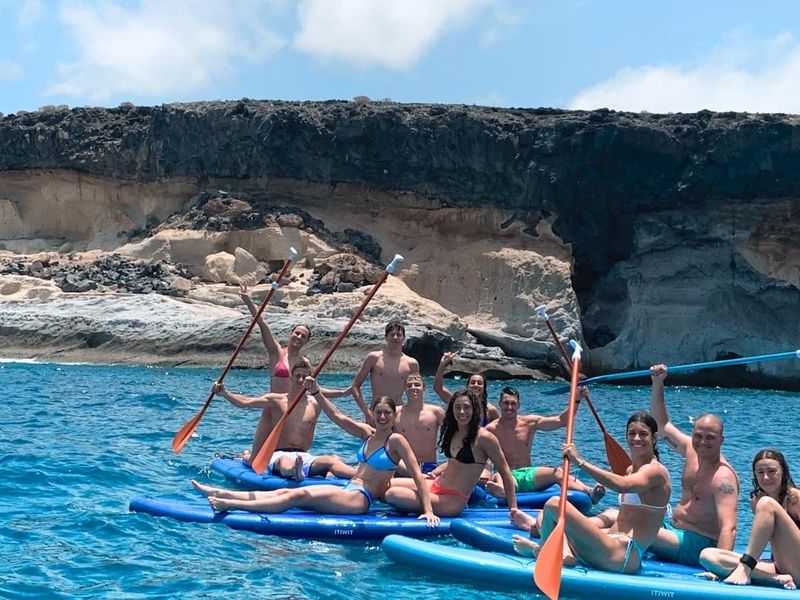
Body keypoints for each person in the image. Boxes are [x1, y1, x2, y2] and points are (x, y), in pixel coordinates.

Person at [192, 389, 439, 525]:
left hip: (361, 499)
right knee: (282, 493)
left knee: (297, 495)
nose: (383, 417)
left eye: (387, 413)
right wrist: (317, 392)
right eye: (379, 413)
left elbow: (416, 476)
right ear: (372, 414)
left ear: (392, 416)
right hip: (348, 488)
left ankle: (230, 504)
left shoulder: (395, 441)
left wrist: (428, 511)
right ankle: (221, 493)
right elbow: (338, 417)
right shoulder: (369, 434)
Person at [512, 412, 672, 574]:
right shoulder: (630, 470)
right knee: (549, 518)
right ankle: (562, 554)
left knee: (555, 504)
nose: (636, 438)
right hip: (610, 544)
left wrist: (580, 461)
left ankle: (544, 551)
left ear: (654, 438)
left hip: (623, 555)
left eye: (643, 434)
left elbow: (622, 486)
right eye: (632, 433)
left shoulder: (655, 471)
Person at [647, 363, 739, 566]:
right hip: (672, 530)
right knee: (615, 515)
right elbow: (661, 427)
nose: (703, 442)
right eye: (698, 435)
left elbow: (729, 527)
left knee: (637, 526)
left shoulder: (723, 478)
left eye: (710, 437)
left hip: (698, 544)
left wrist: (719, 567)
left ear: (721, 440)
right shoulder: (691, 449)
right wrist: (658, 383)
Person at [212, 357, 354, 479]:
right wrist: (225, 393)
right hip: (278, 454)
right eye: (297, 376)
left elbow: (336, 414)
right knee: (284, 461)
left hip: (304, 456)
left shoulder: (316, 404)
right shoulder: (276, 400)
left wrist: (344, 392)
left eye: (304, 377)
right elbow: (245, 402)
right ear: (291, 377)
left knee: (332, 460)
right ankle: (293, 471)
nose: (300, 380)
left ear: (310, 380)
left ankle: (359, 474)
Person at [385, 390, 518, 517]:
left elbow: (505, 473)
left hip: (451, 500)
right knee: (386, 484)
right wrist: (436, 472)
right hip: (436, 484)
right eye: (457, 407)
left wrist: (513, 509)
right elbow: (454, 462)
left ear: (474, 410)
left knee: (392, 494)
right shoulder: (453, 432)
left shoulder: (484, 438)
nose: (462, 412)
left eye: (466, 407)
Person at [699, 449, 800, 590]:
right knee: (708, 555)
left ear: (783, 472)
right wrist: (722, 569)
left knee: (766, 503)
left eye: (771, 471)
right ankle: (777, 580)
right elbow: (764, 540)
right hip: (781, 567)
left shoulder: (795, 499)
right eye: (760, 472)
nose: (765, 477)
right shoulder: (756, 500)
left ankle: (745, 568)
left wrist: (746, 563)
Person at [484, 387, 605, 504]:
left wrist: (576, 400)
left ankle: (589, 492)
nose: (509, 407)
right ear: (499, 404)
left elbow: (561, 421)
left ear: (518, 405)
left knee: (557, 472)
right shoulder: (491, 430)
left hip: (529, 474)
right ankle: (504, 491)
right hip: (506, 474)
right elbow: (483, 457)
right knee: (499, 475)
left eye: (513, 403)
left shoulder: (529, 422)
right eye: (506, 403)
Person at [237, 283, 313, 460]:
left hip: (292, 412)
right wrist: (248, 300)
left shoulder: (305, 363)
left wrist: (340, 393)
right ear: (291, 333)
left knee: (285, 456)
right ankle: (248, 457)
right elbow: (262, 325)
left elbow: (311, 389)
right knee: (255, 460)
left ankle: (294, 469)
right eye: (297, 333)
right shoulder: (277, 352)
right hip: (272, 408)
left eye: (303, 336)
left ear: (306, 342)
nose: (299, 337)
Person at [346, 321, 420, 423]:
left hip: (398, 414)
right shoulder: (374, 358)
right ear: (386, 337)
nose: (395, 337)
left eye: (398, 335)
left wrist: (415, 415)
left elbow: (417, 391)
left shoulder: (412, 363)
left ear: (403, 338)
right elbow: (355, 387)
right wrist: (366, 412)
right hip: (375, 413)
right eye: (392, 334)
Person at [394, 374, 445, 475]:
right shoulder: (395, 413)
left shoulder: (436, 412)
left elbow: (454, 435)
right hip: (403, 465)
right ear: (404, 389)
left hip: (429, 466)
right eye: (409, 385)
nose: (413, 388)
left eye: (417, 385)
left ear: (424, 388)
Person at [434, 352, 499, 425]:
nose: (476, 385)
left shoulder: (490, 410)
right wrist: (442, 365)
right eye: (473, 382)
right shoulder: (458, 402)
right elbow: (438, 388)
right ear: (467, 386)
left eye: (479, 383)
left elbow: (500, 430)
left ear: (484, 387)